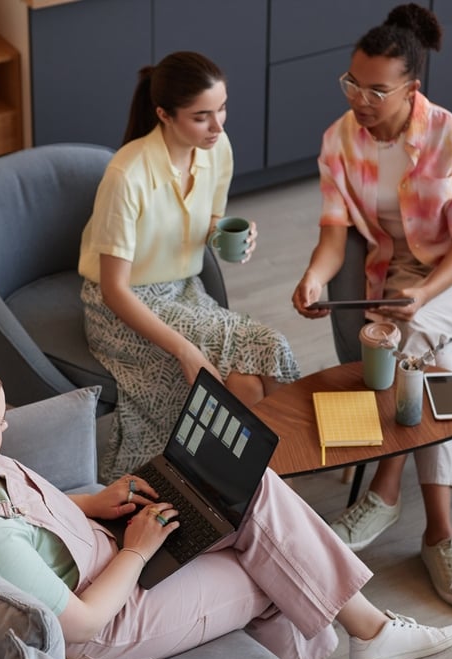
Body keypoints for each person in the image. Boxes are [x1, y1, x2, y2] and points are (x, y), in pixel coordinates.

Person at [0, 357, 452, 659]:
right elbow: (83, 624)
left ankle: (368, 632)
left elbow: (22, 518)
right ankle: (368, 634)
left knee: (251, 494)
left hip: (102, 543)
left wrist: (94, 502)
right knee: (270, 565)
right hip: (114, 615)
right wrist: (138, 549)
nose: (7, 426)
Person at [292, 4, 452, 610]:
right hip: (404, 275)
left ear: (411, 89)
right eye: (353, 82)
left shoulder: (447, 135)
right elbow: (333, 236)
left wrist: (425, 295)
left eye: (378, 89)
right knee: (439, 358)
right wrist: (314, 279)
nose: (361, 99)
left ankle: (383, 489)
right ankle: (439, 534)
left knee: (411, 331)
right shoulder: (338, 141)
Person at [78, 51, 299, 483]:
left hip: (184, 290)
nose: (218, 126)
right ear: (164, 114)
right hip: (123, 309)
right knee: (253, 366)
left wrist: (228, 237)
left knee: (256, 366)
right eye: (202, 116)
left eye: (222, 109)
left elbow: (210, 223)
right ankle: (256, 486)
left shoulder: (216, 150)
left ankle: (258, 482)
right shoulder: (127, 176)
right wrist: (185, 350)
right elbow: (113, 290)